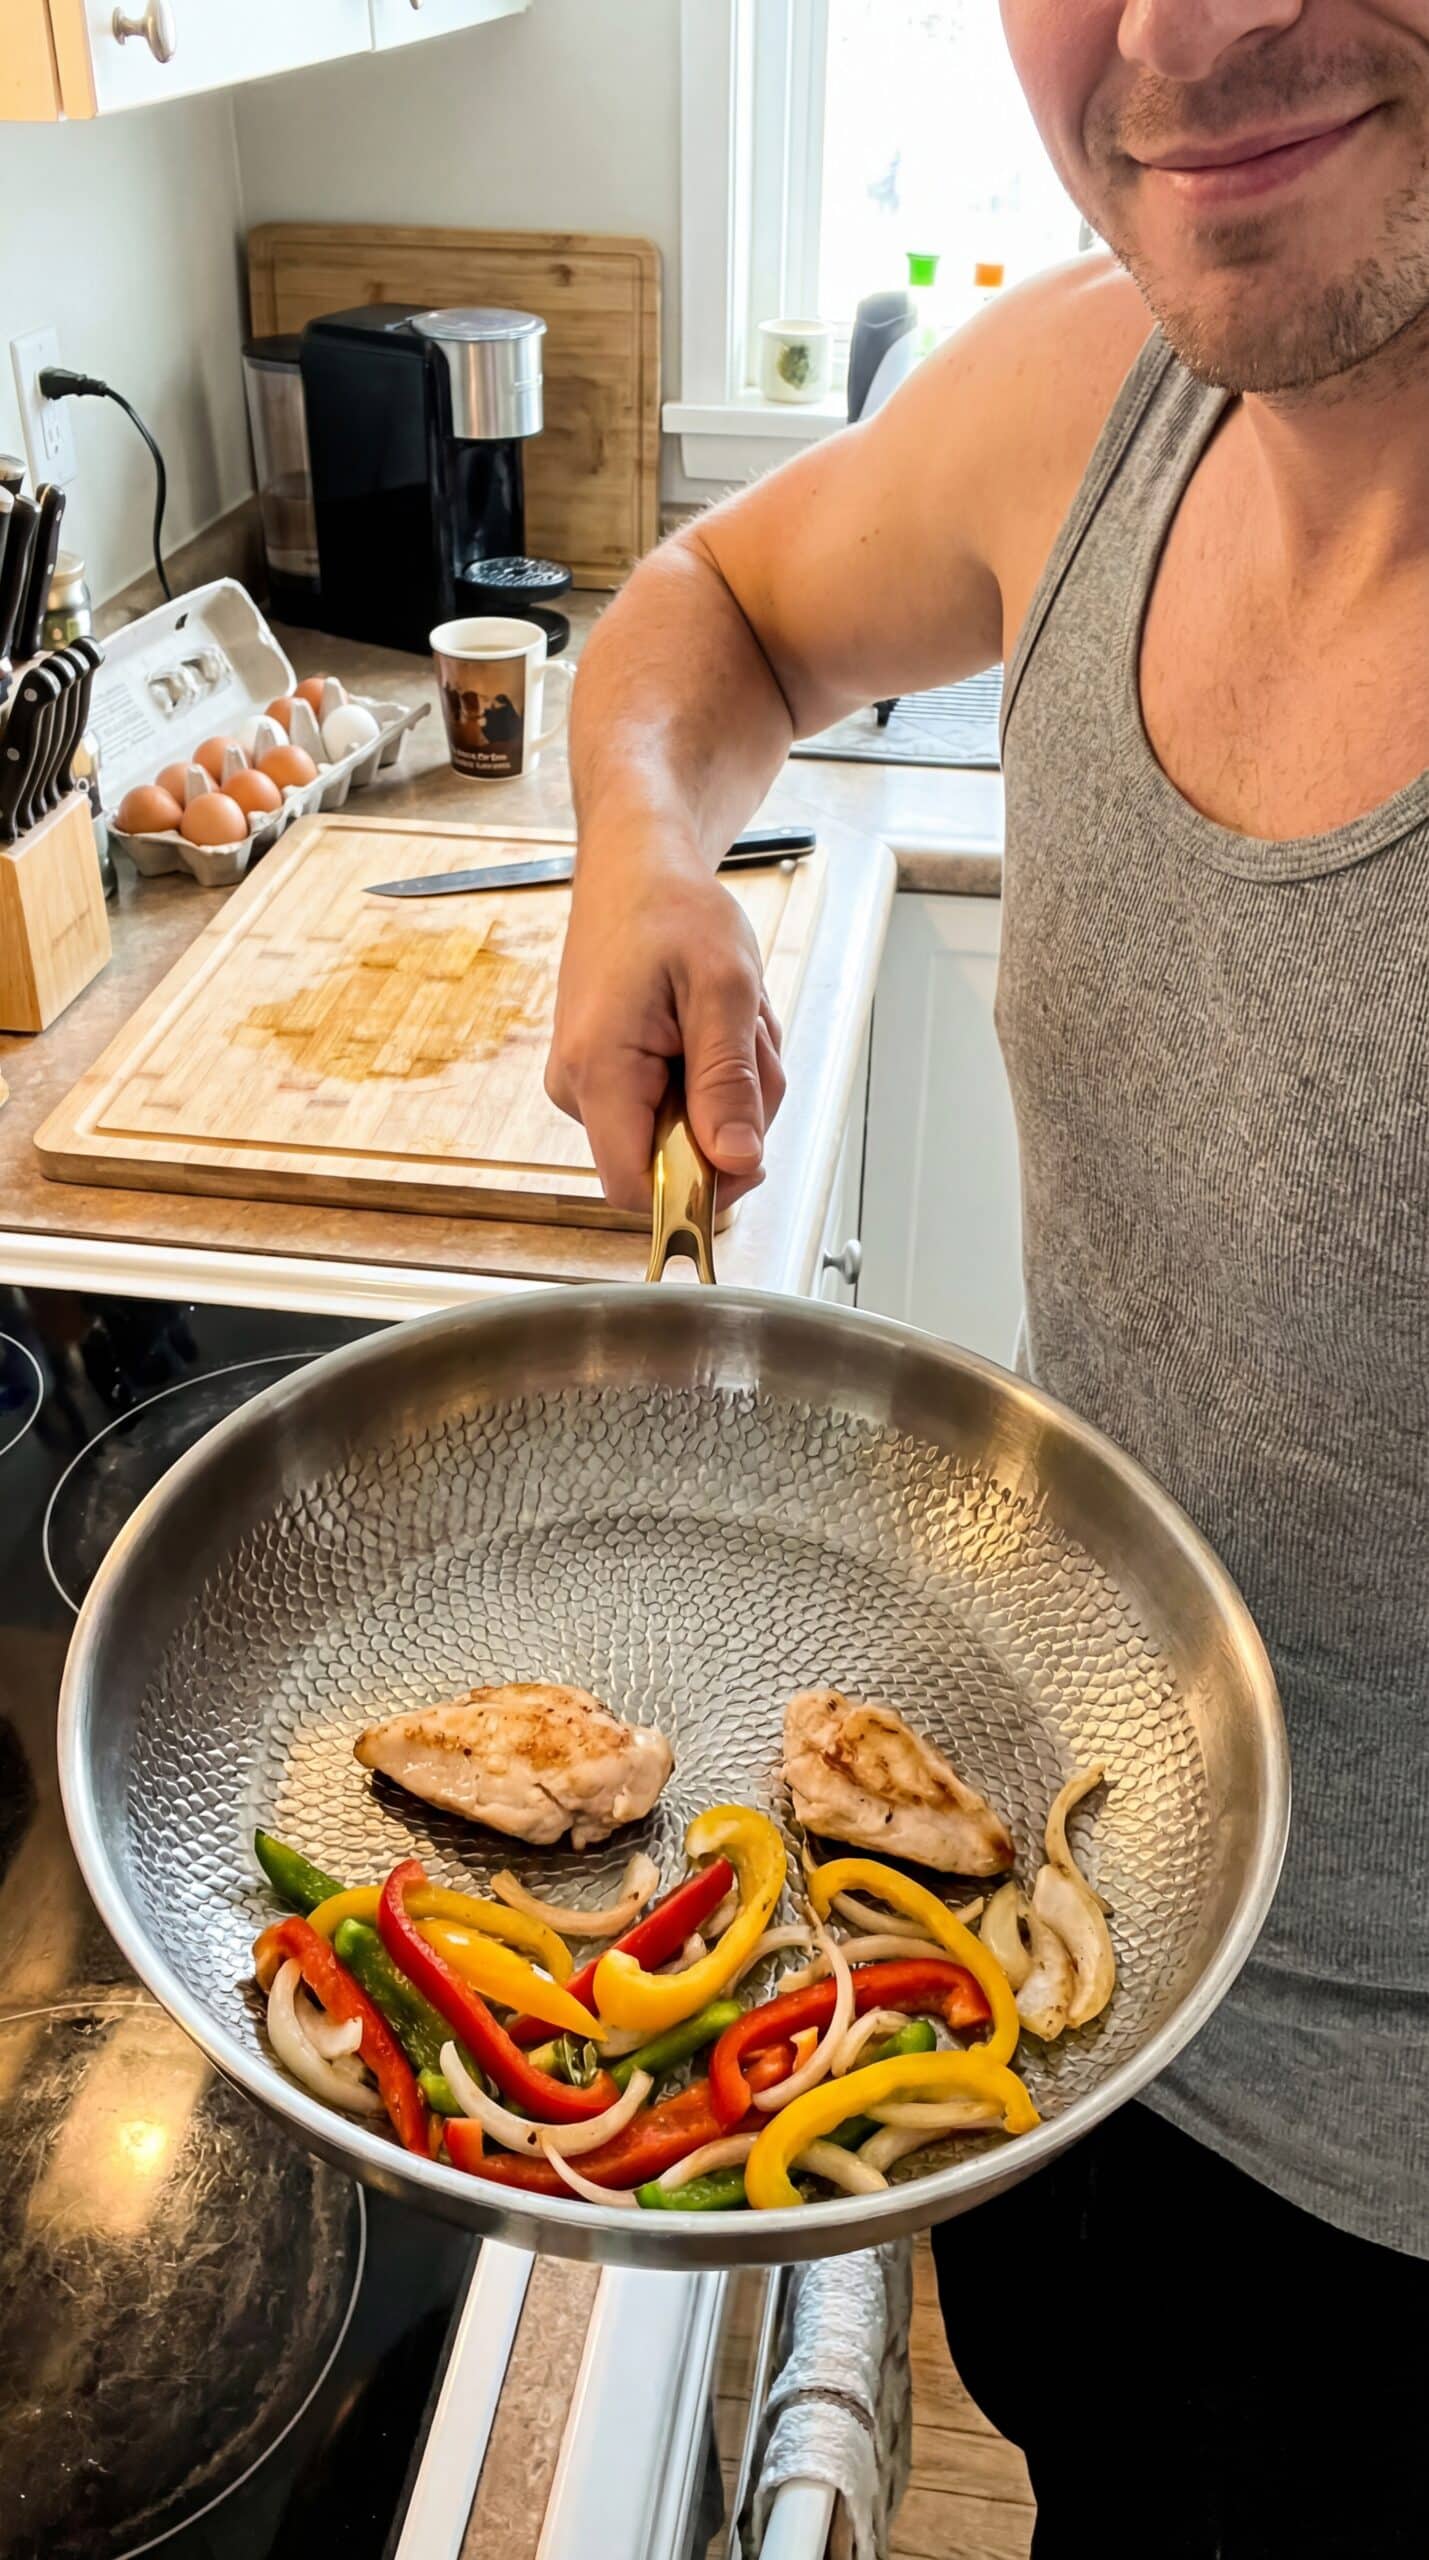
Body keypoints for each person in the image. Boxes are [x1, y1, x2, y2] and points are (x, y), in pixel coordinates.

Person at [546, 3, 1428, 2550]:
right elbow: (716, 604)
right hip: (1047, 1986)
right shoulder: (1088, 403)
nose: (1184, 29)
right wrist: (644, 847)